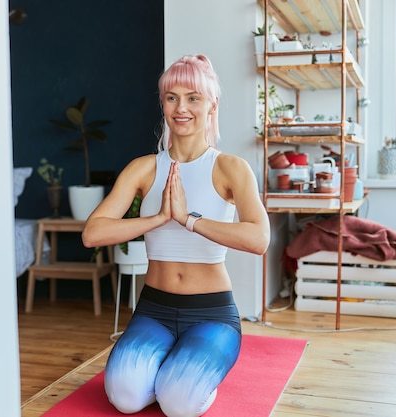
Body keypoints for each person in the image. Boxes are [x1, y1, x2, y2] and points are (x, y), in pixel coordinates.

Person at [82, 54, 270, 417]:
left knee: (178, 405)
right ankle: (167, 366)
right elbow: (93, 233)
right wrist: (158, 218)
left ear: (211, 105)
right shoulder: (144, 168)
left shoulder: (230, 168)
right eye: (172, 97)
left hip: (212, 314)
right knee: (125, 398)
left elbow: (259, 239)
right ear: (163, 104)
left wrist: (188, 219)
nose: (181, 107)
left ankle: (186, 377)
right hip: (154, 310)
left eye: (193, 98)